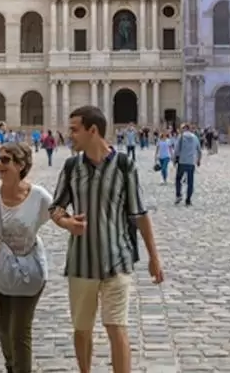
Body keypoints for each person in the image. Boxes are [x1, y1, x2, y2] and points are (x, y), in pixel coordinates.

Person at [49, 105, 164, 373]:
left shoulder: (125, 165)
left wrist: (154, 257)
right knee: (82, 329)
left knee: (117, 327)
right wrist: (66, 222)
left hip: (117, 259)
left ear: (93, 130)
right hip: (81, 262)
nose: (70, 135)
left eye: (75, 130)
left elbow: (139, 214)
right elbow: (55, 207)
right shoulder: (70, 167)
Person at [0, 142, 52, 373]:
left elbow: (59, 216)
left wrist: (72, 222)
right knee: (5, 329)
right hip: (1, 271)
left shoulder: (38, 196)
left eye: (5, 160)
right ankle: (11, 367)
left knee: (20, 331)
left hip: (31, 270)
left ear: (21, 165)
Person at [173, 125, 202, 206]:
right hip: (191, 162)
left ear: (184, 129)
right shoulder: (195, 137)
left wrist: (174, 160)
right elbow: (199, 150)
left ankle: (178, 195)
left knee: (178, 179)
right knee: (190, 182)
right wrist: (198, 160)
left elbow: (176, 150)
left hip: (182, 162)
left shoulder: (181, 137)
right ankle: (188, 200)